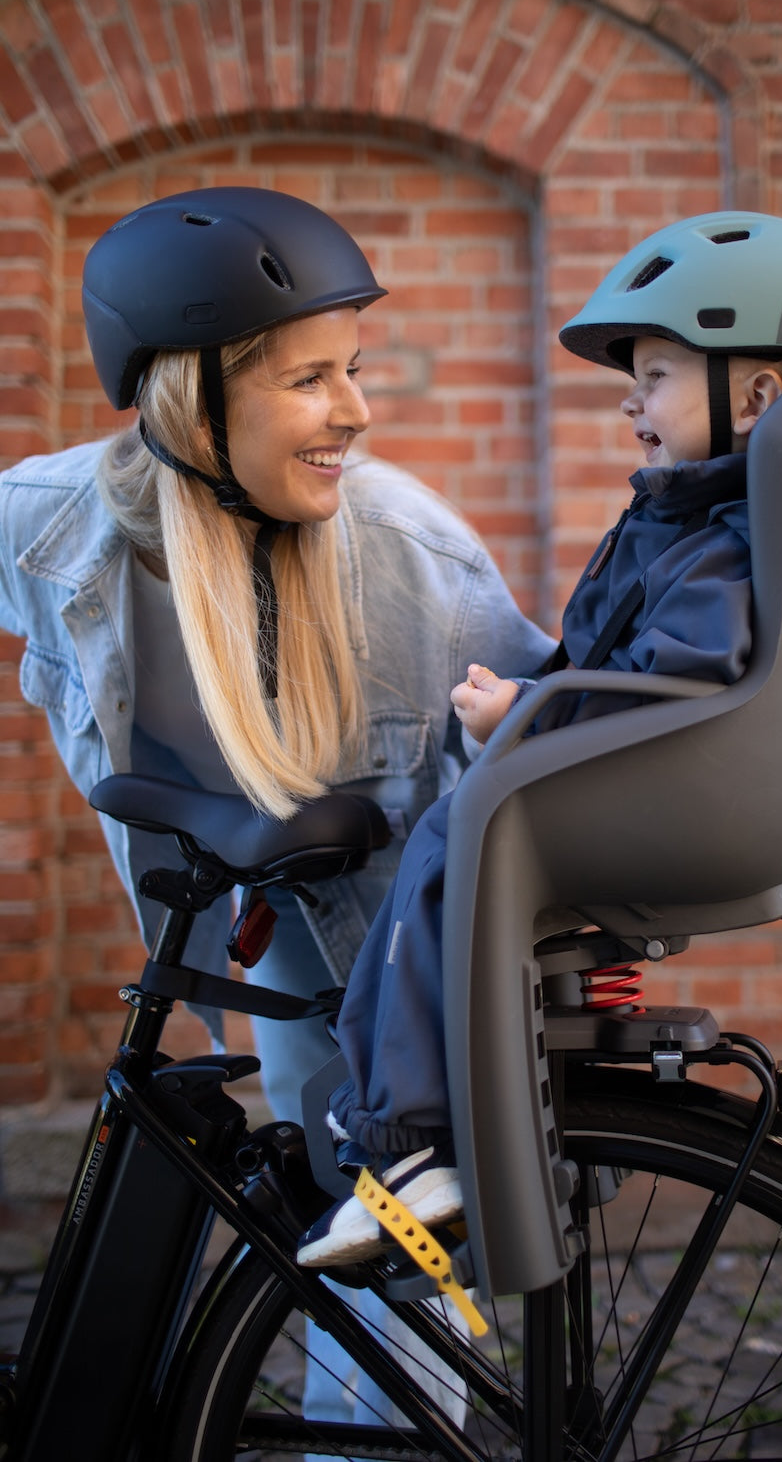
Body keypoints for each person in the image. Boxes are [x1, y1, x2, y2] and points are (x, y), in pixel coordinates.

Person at [0, 186, 554, 1438]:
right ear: (194, 404)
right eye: (310, 379)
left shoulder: (411, 555)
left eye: (352, 369)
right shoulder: (50, 526)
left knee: (380, 1213)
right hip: (228, 892)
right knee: (308, 1191)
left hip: (379, 923)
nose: (356, 409)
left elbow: (557, 711)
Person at [295, 209, 782, 1269]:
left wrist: (525, 713)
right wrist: (532, 698)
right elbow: (631, 669)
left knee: (448, 844)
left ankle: (412, 1142)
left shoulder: (717, 543)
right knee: (454, 838)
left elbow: (671, 688)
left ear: (757, 396)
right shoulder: (697, 521)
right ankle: (422, 1125)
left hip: (664, 800)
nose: (629, 399)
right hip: (662, 793)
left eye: (655, 374)